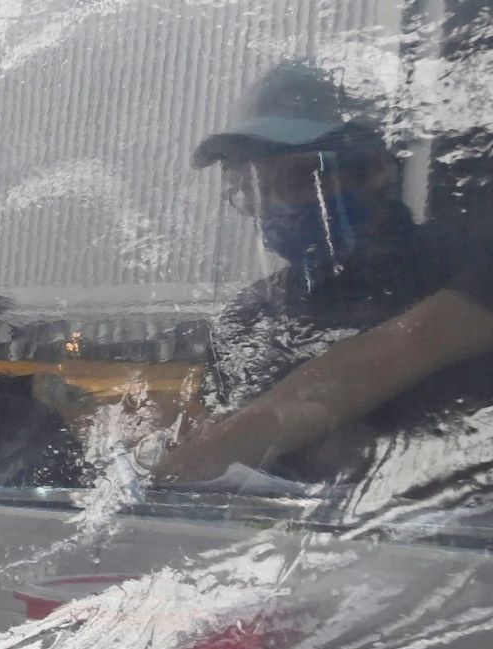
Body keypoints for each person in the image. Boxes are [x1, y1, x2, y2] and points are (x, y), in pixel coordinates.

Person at [158, 60, 493, 490]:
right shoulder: (250, 314)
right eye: (252, 188)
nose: (272, 207)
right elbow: (218, 431)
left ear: (376, 171)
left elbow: (404, 347)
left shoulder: (465, 271)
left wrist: (203, 455)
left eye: (299, 179)